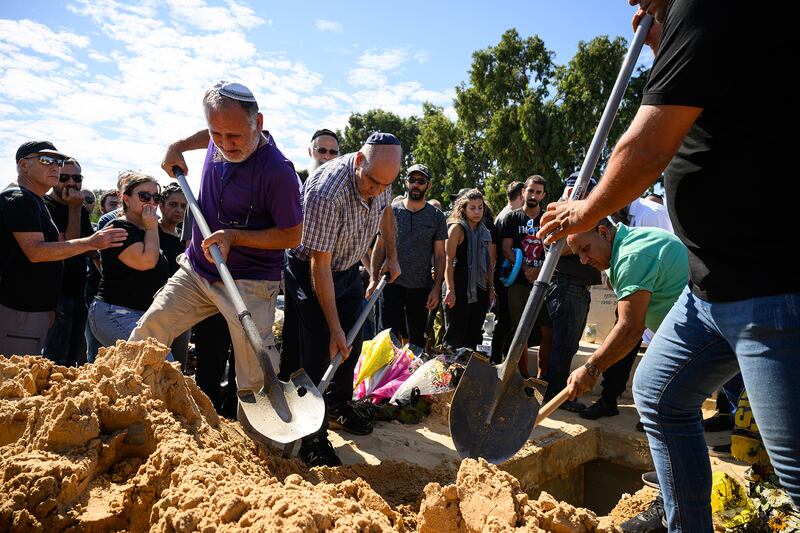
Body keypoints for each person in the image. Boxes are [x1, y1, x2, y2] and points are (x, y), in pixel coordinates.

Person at [538, 2, 798, 529]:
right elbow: (701, 98)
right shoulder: (692, 19)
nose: (633, 6)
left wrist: (583, 208)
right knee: (658, 395)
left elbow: (649, 146)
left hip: (767, 284)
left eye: (584, 248)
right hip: (708, 294)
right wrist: (662, 47)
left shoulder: (704, 5)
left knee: (795, 466)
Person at [129, 81, 302, 438]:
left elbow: (292, 235)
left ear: (259, 123)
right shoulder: (217, 137)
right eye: (216, 134)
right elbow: (208, 137)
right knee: (149, 331)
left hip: (250, 282)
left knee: (254, 374)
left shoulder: (278, 173)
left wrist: (235, 237)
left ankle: (261, 450)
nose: (224, 144)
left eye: (234, 136)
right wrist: (177, 146)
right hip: (198, 270)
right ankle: (119, 406)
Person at [283, 132, 402, 467]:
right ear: (359, 161)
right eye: (372, 182)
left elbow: (386, 215)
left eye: (384, 185)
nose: (377, 190)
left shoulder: (382, 177)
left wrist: (391, 256)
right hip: (310, 268)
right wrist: (333, 328)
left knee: (355, 340)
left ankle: (337, 403)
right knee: (321, 346)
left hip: (348, 267)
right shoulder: (326, 191)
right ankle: (312, 436)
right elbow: (319, 265)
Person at [1, 141, 125, 357]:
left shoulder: (32, 200)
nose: (55, 167)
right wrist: (91, 242)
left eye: (58, 162)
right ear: (23, 165)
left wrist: (47, 305)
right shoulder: (18, 198)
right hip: (19, 308)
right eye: (46, 160)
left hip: (34, 307)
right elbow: (36, 252)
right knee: (15, 378)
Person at [542, 173, 602, 411]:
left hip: (578, 287)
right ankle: (556, 396)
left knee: (568, 345)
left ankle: (555, 392)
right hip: (566, 286)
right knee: (564, 344)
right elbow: (558, 247)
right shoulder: (560, 214)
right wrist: (582, 225)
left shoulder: (586, 215)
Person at [88, 173, 169, 347]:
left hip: (142, 314)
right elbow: (147, 261)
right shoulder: (120, 228)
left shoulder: (147, 230)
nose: (151, 202)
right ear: (126, 199)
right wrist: (152, 227)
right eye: (144, 196)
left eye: (156, 197)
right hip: (116, 312)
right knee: (158, 365)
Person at [374, 163, 446, 347]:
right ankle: (384, 376)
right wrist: (373, 280)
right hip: (391, 284)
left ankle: (412, 376)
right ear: (406, 182)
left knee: (416, 342)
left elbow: (439, 255)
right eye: (412, 180)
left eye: (421, 181)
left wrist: (437, 288)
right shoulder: (391, 211)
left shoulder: (437, 217)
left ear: (428, 185)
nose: (416, 185)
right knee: (386, 339)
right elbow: (379, 246)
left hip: (420, 288)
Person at [41, 157, 96, 366]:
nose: (71, 183)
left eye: (77, 178)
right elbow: (70, 248)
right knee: (53, 362)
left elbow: (91, 250)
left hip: (77, 294)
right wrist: (74, 208)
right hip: (55, 296)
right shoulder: (45, 206)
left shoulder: (80, 208)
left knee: (73, 361)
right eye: (64, 177)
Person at [501, 175, 552, 377]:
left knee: (547, 331)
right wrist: (525, 269)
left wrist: (539, 271)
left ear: (543, 195)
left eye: (538, 192)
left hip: (544, 282)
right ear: (523, 192)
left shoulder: (548, 218)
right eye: (530, 191)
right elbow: (506, 249)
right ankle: (523, 377)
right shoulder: (511, 218)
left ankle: (542, 377)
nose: (533, 195)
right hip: (519, 283)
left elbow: (555, 250)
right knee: (519, 331)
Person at [442, 189, 495, 350]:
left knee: (474, 336)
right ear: (463, 209)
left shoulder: (485, 231)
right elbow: (448, 261)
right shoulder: (457, 228)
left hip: (480, 288)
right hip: (458, 285)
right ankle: (450, 372)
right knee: (455, 336)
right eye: (472, 207)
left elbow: (489, 263)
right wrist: (450, 289)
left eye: (480, 207)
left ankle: (469, 373)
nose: (477, 211)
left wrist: (491, 288)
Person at [491, 180, 527, 363]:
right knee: (505, 320)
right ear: (522, 193)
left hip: (506, 276)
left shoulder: (505, 214)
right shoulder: (508, 216)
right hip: (505, 277)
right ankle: (496, 358)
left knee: (507, 321)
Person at [157, 182, 190, 371]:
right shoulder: (152, 232)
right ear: (162, 205)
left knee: (177, 367)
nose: (179, 210)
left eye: (184, 206)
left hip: (180, 307)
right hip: (153, 306)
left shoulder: (184, 239)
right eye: (173, 204)